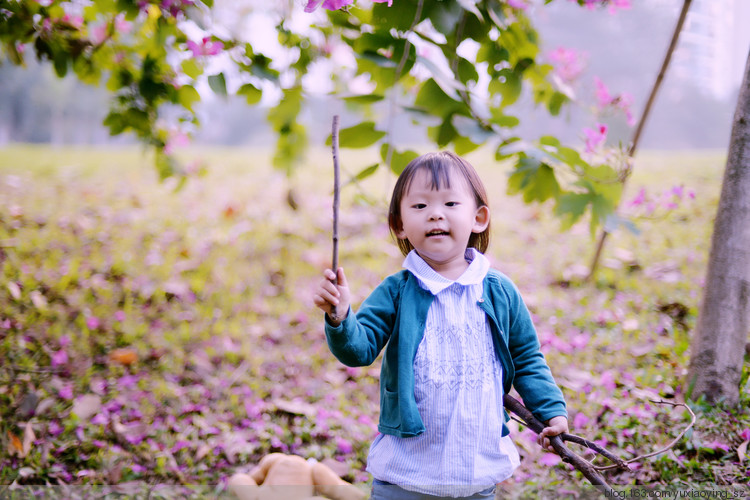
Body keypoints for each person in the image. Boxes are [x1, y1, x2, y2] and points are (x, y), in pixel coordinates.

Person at [313, 151, 568, 499]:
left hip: (476, 473)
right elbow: (359, 349)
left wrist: (550, 411)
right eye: (419, 206)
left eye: (450, 202)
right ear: (399, 224)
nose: (435, 213)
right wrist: (340, 317)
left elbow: (526, 358)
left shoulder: (499, 292)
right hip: (406, 474)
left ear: (478, 218)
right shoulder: (397, 291)